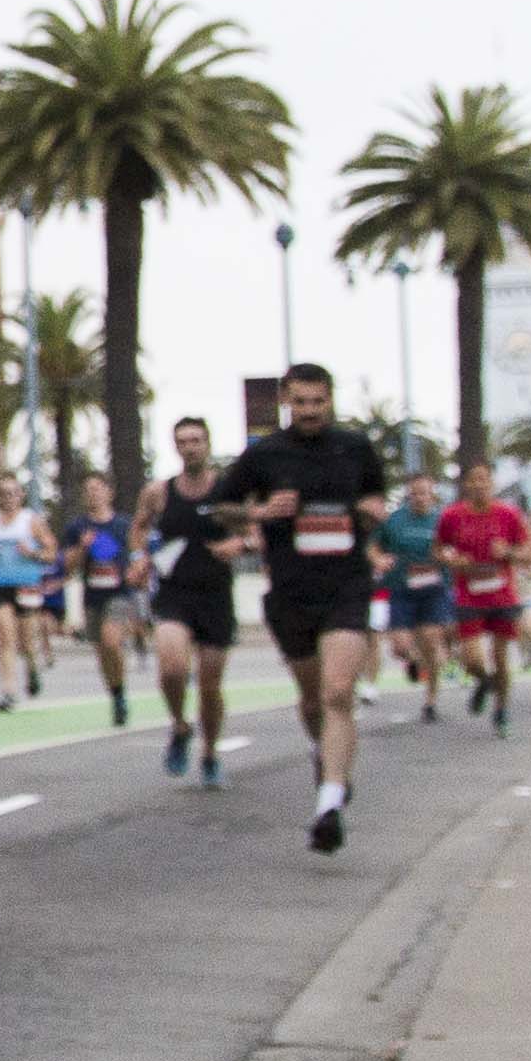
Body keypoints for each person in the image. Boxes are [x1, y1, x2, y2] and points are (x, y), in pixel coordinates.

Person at [209, 363, 388, 855]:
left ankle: (328, 804)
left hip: (346, 586)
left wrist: (374, 512)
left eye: (318, 402)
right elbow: (221, 506)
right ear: (287, 402)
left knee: (337, 693)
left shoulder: (355, 448)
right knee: (312, 700)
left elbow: (375, 499)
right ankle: (323, 754)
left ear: (331, 400)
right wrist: (260, 513)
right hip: (291, 592)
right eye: (301, 402)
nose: (310, 411)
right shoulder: (265, 454)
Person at [142, 416, 246, 786]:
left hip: (215, 595)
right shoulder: (160, 492)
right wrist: (139, 558)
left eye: (196, 440)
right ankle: (180, 726)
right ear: (176, 446)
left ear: (208, 443)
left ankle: (210, 752)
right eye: (183, 441)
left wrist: (240, 544)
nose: (190, 447)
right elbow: (140, 528)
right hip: (174, 593)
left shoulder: (226, 490)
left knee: (209, 685)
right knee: (171, 669)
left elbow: (255, 530)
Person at [438, 459, 531, 739]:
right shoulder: (452, 516)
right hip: (469, 595)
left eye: (484, 479)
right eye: (473, 479)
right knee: (472, 660)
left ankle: (501, 711)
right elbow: (439, 549)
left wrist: (509, 553)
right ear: (466, 483)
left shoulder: (508, 514)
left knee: (501, 659)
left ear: (492, 483)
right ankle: (484, 681)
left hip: (502, 595)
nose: (479, 484)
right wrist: (451, 558)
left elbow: (528, 551)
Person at [372, 475, 451, 721]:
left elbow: (457, 547)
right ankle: (415, 661)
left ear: (432, 495)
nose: (419, 498)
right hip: (401, 589)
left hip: (433, 591)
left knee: (430, 640)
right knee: (400, 646)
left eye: (424, 493)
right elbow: (374, 546)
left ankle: (431, 701)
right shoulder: (394, 521)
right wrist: (379, 560)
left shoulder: (442, 520)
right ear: (408, 495)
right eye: (414, 493)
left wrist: (450, 556)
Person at [68, 472, 137, 726]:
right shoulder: (78, 527)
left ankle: (120, 692)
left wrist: (134, 569)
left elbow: (136, 554)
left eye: (98, 489)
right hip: (93, 596)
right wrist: (83, 548)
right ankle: (117, 694)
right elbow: (69, 567)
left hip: (119, 594)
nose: (93, 494)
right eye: (88, 490)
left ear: (109, 492)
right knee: (102, 652)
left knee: (111, 643)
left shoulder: (123, 525)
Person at [0, 477, 54, 712]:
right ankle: (9, 691)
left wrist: (33, 553)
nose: (8, 498)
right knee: (5, 638)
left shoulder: (30, 521)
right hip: (0, 585)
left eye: (13, 493)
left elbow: (51, 552)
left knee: (27, 643)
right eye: (3, 493)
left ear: (21, 495)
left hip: (27, 586)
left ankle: (32, 669)